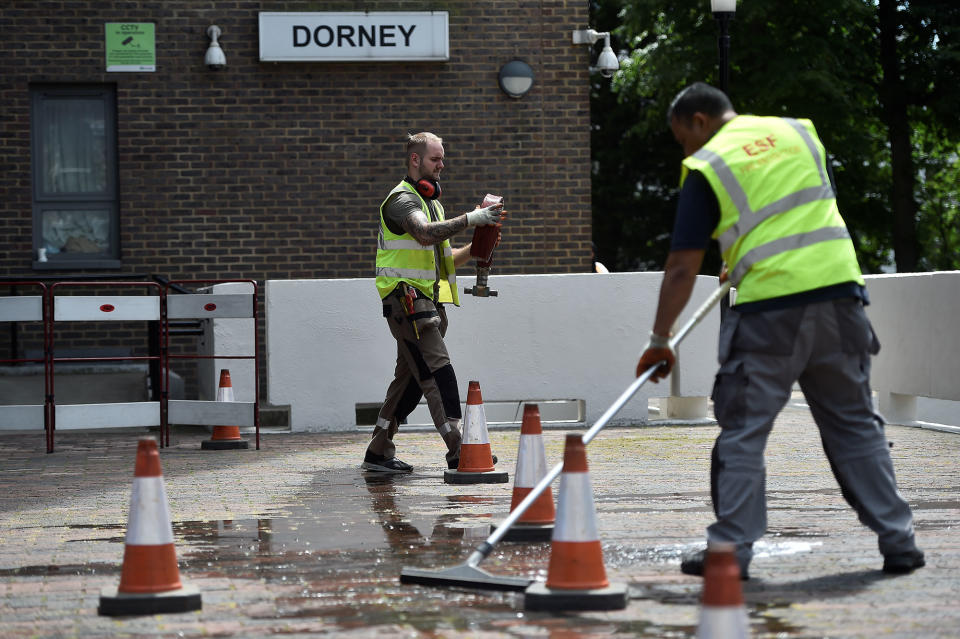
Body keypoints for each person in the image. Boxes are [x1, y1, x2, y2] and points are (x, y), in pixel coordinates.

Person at [635, 82, 924, 579]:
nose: (685, 150)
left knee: (744, 433)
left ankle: (730, 550)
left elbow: (683, 266)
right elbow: (797, 213)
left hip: (771, 314)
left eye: (683, 138)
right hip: (841, 298)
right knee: (856, 425)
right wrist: (740, 255)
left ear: (700, 121)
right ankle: (899, 541)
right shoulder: (800, 134)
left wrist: (660, 340)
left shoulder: (709, 163)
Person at [364, 132, 504, 473]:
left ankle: (378, 451)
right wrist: (471, 219)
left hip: (424, 306)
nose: (442, 165)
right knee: (436, 370)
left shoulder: (433, 205)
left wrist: (478, 245)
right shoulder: (401, 201)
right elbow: (424, 233)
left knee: (409, 382)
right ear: (415, 160)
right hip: (408, 305)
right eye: (435, 159)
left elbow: (444, 261)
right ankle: (459, 448)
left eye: (442, 159)